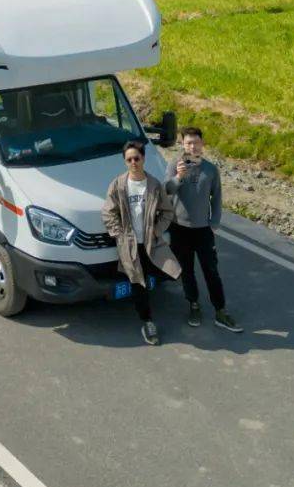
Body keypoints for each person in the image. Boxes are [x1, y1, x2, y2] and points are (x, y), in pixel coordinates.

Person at [102, 141, 180, 346]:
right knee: (138, 282)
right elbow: (108, 212)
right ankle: (147, 321)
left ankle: (190, 303)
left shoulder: (154, 185)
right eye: (129, 159)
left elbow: (167, 212)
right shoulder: (118, 185)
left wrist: (156, 230)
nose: (133, 162)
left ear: (143, 158)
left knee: (169, 271)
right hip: (130, 245)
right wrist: (119, 234)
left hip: (150, 243)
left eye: (136, 158)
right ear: (125, 162)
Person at [165, 127, 241, 332]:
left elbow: (216, 197)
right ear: (183, 144)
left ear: (202, 144)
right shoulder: (175, 165)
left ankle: (221, 311)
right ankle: (194, 305)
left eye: (196, 142)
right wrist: (179, 176)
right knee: (186, 270)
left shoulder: (211, 170)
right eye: (188, 143)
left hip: (203, 229)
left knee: (211, 270)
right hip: (179, 228)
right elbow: (166, 190)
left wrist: (214, 222)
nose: (193, 146)